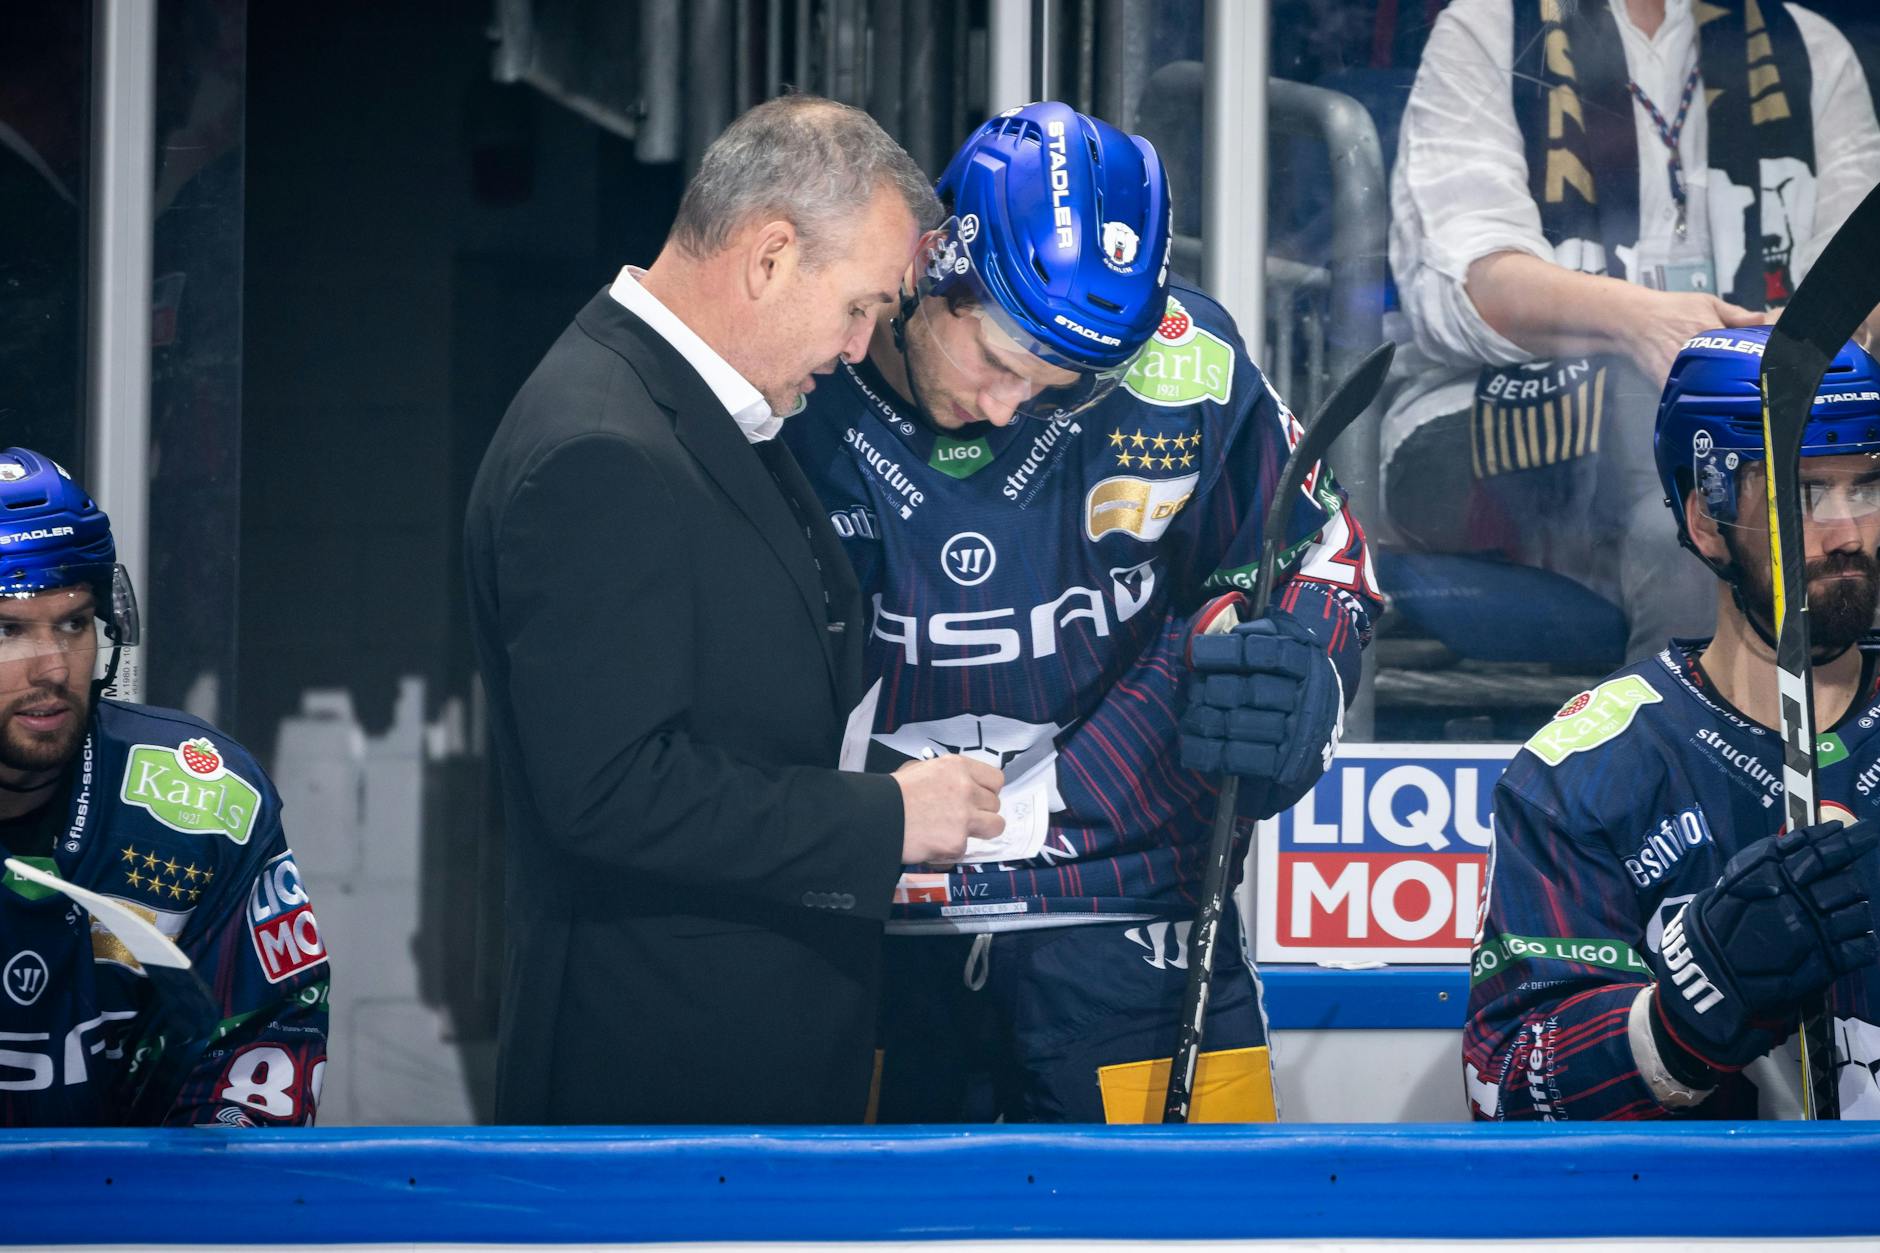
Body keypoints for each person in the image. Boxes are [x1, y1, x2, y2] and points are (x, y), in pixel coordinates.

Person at [782, 101, 1383, 1123]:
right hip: (855, 923)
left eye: (1059, 379)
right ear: (936, 270)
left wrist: (1307, 682)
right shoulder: (800, 374)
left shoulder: (1184, 366)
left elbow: (1322, 554)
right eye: (998, 360)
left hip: (1135, 922)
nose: (1014, 405)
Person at [464, 95, 1005, 1125]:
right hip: (661, 1083)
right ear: (768, 257)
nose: (858, 349)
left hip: (740, 1064)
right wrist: (884, 817)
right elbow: (609, 788)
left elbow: (735, 716)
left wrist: (896, 783)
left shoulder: (692, 410)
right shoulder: (601, 448)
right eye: (857, 307)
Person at [1464, 327, 1880, 1120]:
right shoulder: (1584, 770)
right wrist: (1682, 1016)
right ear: (1704, 520)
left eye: (1866, 485)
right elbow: (1506, 1082)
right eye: (1803, 493)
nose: (1848, 531)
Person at [1385, 0, 1880, 662]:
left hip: (1780, 430)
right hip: (1509, 429)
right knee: (1703, 522)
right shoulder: (1494, 25)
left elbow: (1861, 278)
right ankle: (1686, 754)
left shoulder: (1808, 48)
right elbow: (1467, 285)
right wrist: (1639, 321)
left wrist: (1784, 348)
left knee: (1715, 501)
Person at [0, 446, 328, 1126]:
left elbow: (265, 1050)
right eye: (7, 629)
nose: (53, 666)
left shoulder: (206, 805)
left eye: (73, 622)